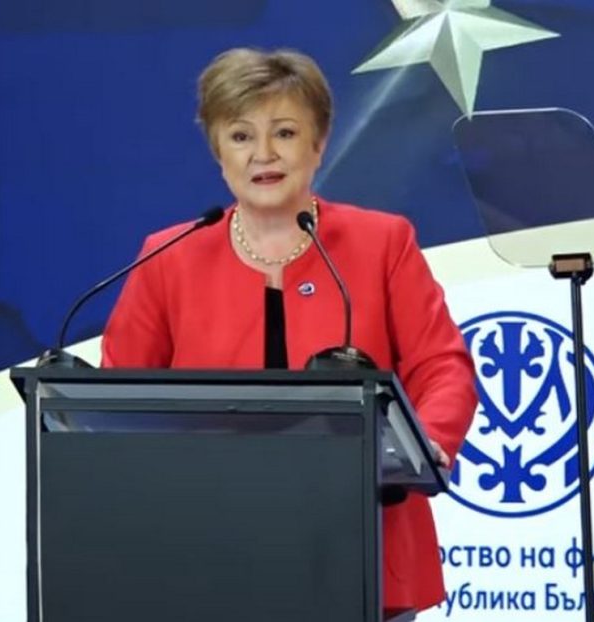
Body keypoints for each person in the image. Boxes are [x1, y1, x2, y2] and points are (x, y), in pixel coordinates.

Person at [101, 47, 477, 614]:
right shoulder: (168, 257)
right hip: (209, 544)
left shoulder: (382, 243)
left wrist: (424, 444)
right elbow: (119, 399)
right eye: (241, 136)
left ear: (318, 144)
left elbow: (442, 366)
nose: (264, 154)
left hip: (363, 540)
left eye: (285, 132)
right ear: (218, 153)